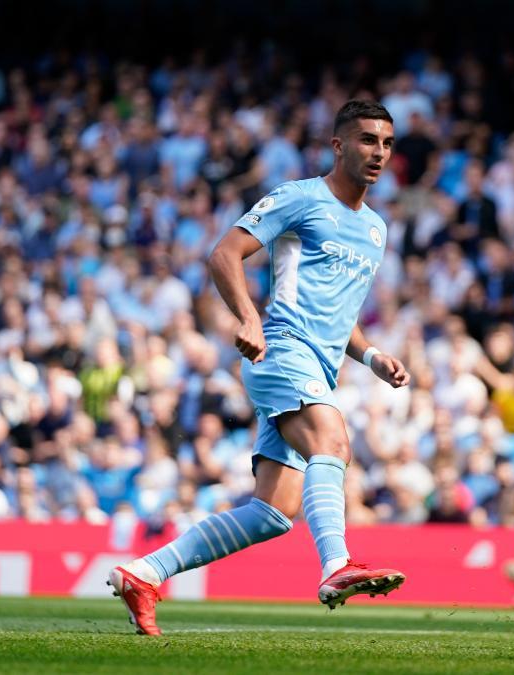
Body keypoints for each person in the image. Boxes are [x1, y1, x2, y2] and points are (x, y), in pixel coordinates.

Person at [107, 100, 412, 635]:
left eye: (386, 143)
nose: (378, 153)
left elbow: (343, 313)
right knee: (332, 442)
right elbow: (224, 253)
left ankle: (144, 572)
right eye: (367, 140)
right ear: (338, 145)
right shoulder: (301, 198)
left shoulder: (376, 230)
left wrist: (370, 356)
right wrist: (248, 317)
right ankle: (337, 566)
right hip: (281, 349)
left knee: (274, 512)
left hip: (319, 364)